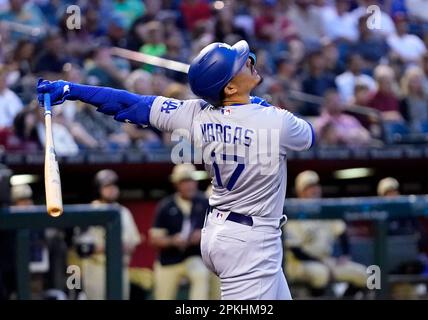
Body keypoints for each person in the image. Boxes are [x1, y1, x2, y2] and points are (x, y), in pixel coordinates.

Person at [36, 39, 315, 300]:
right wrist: (260, 103)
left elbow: (129, 105)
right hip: (250, 241)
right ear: (229, 88)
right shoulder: (275, 121)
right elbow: (308, 136)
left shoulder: (194, 113)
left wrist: (73, 90)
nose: (250, 61)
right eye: (243, 63)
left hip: (222, 231)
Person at [284, 170, 367, 298]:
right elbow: (295, 250)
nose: (314, 190)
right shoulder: (294, 211)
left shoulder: (325, 209)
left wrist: (346, 254)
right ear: (301, 191)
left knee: (364, 274)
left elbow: (342, 232)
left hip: (325, 261)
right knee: (320, 274)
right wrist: (321, 262)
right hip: (298, 263)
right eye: (309, 187)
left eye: (316, 186)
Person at [74, 169, 141, 299]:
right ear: (98, 189)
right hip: (96, 269)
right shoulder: (88, 212)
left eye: (114, 185)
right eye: (107, 186)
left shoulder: (124, 212)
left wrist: (108, 247)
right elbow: (82, 248)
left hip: (120, 268)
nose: (112, 189)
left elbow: (132, 243)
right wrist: (113, 247)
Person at [150, 163, 210, 300]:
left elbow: (220, 229)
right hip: (169, 260)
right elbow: (154, 239)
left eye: (191, 181)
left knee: (201, 273)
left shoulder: (204, 202)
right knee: (163, 296)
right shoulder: (166, 206)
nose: (189, 185)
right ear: (177, 184)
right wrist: (172, 240)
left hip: (193, 256)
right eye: (184, 181)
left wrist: (203, 234)